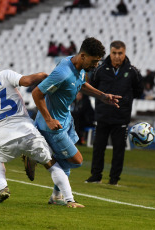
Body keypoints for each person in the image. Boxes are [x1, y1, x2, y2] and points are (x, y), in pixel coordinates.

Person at [0, 57, 84, 208]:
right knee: (51, 163)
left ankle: (3, 188)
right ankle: (70, 200)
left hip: (2, 136)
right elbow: (28, 81)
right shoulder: (4, 75)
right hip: (26, 130)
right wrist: (42, 75)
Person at [32, 37, 121, 204]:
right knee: (76, 160)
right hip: (53, 126)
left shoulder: (79, 66)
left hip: (66, 121)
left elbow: (81, 84)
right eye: (94, 61)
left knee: (66, 160)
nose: (96, 65)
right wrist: (49, 119)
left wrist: (102, 96)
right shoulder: (62, 73)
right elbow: (37, 93)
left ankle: (56, 196)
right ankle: (39, 156)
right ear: (83, 56)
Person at [86, 40, 143, 185]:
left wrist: (125, 102)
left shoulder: (133, 72)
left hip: (121, 118)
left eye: (120, 53)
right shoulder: (99, 70)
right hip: (102, 116)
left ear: (125, 53)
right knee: (98, 148)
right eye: (114, 53)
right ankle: (95, 176)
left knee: (119, 151)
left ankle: (114, 179)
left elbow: (138, 92)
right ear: (109, 53)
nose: (117, 56)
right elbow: (93, 88)